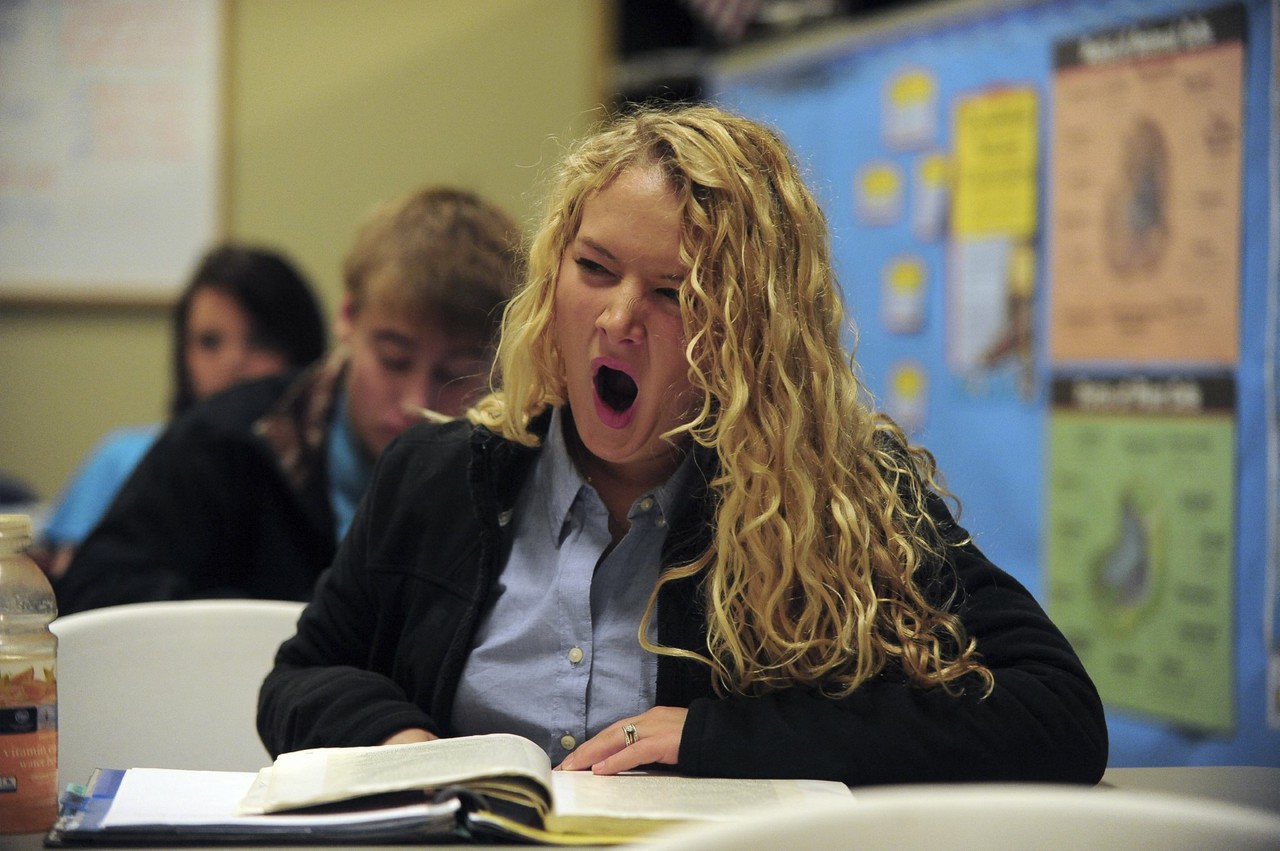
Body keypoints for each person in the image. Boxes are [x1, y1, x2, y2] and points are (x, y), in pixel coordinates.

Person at [258, 106, 1108, 786]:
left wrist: (715, 737)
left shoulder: (838, 494)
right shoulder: (440, 472)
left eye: (673, 292)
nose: (618, 317)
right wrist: (405, 745)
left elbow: (1055, 713)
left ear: (750, 334)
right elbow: (299, 679)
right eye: (595, 268)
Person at [53, 187, 522, 615]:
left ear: (500, 359)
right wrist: (260, 624)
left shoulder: (519, 469)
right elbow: (94, 591)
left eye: (454, 373)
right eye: (394, 360)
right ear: (348, 317)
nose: (416, 402)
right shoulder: (226, 441)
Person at [39, 246, 327, 578]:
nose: (233, 362)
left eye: (260, 340)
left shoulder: (326, 473)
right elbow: (80, 583)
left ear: (300, 350)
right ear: (183, 354)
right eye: (209, 342)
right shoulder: (120, 457)